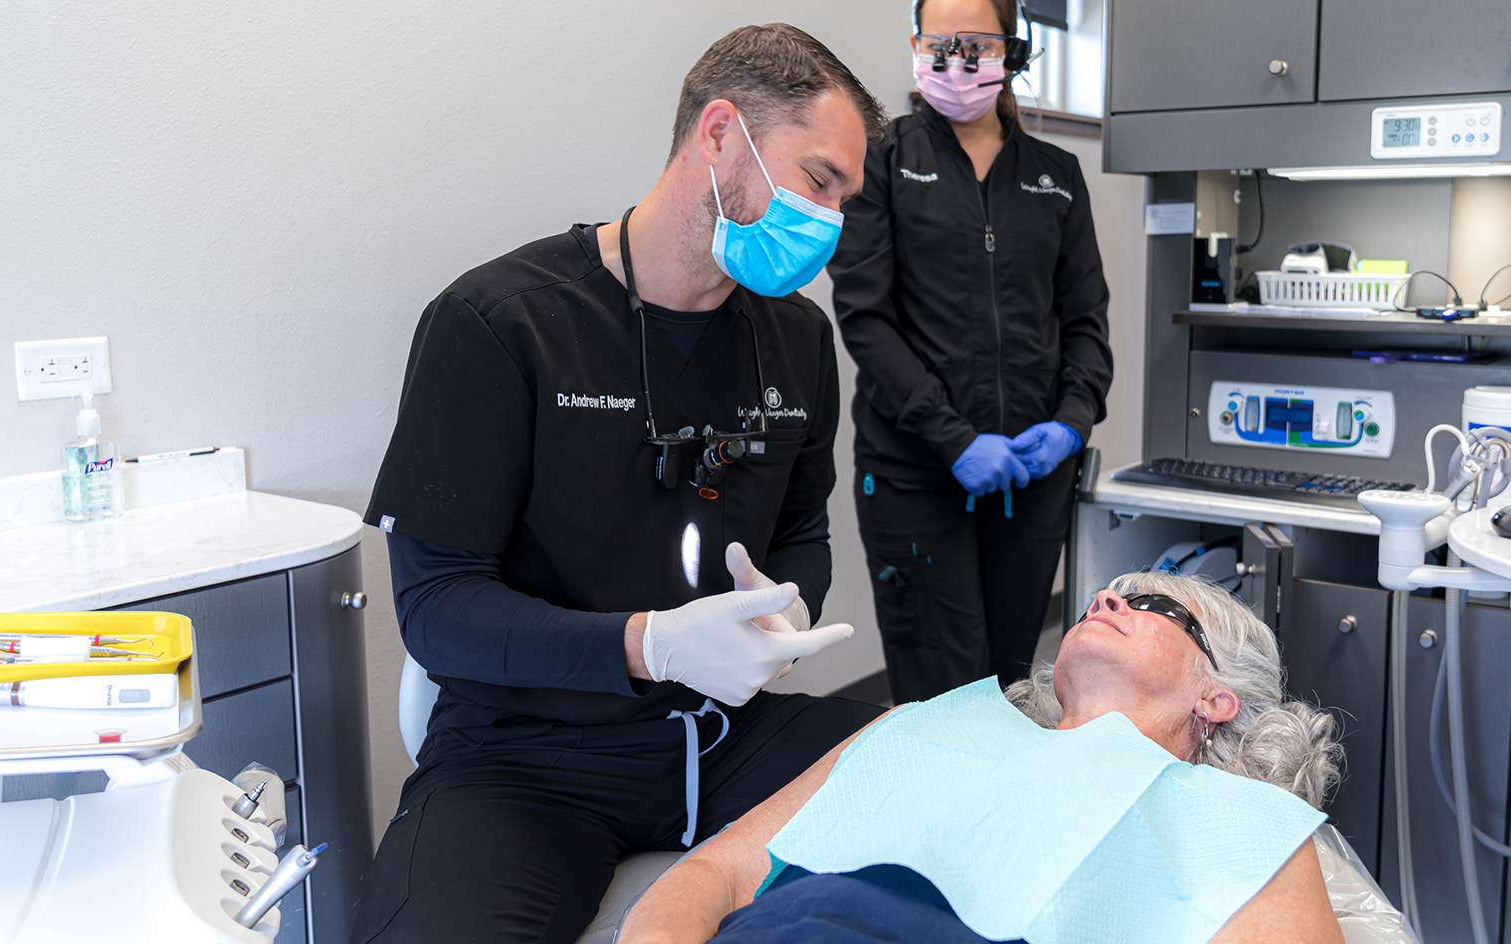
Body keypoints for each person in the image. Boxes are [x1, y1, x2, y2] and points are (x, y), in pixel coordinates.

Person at [352, 24, 889, 944]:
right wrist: (649, 646)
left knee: (959, 806)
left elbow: (802, 526)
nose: (832, 221)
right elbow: (437, 607)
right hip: (526, 760)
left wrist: (782, 613)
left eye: (845, 197)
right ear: (720, 133)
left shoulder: (796, 340)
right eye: (819, 181)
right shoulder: (499, 323)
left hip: (723, 738)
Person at [616, 571, 1348, 944]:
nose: (1103, 601)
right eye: (1103, 597)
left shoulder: (1247, 820)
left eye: (1154, 607)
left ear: (1216, 698)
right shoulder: (921, 726)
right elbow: (713, 873)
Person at [829, 0, 1113, 704]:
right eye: (939, 41)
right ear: (917, 45)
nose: (956, 57)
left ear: (1012, 51)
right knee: (943, 687)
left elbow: (1085, 319)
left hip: (1030, 476)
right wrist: (950, 437)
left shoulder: (1055, 174)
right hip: (916, 473)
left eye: (976, 42)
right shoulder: (883, 160)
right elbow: (865, 317)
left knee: (1013, 678)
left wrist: (1073, 422)